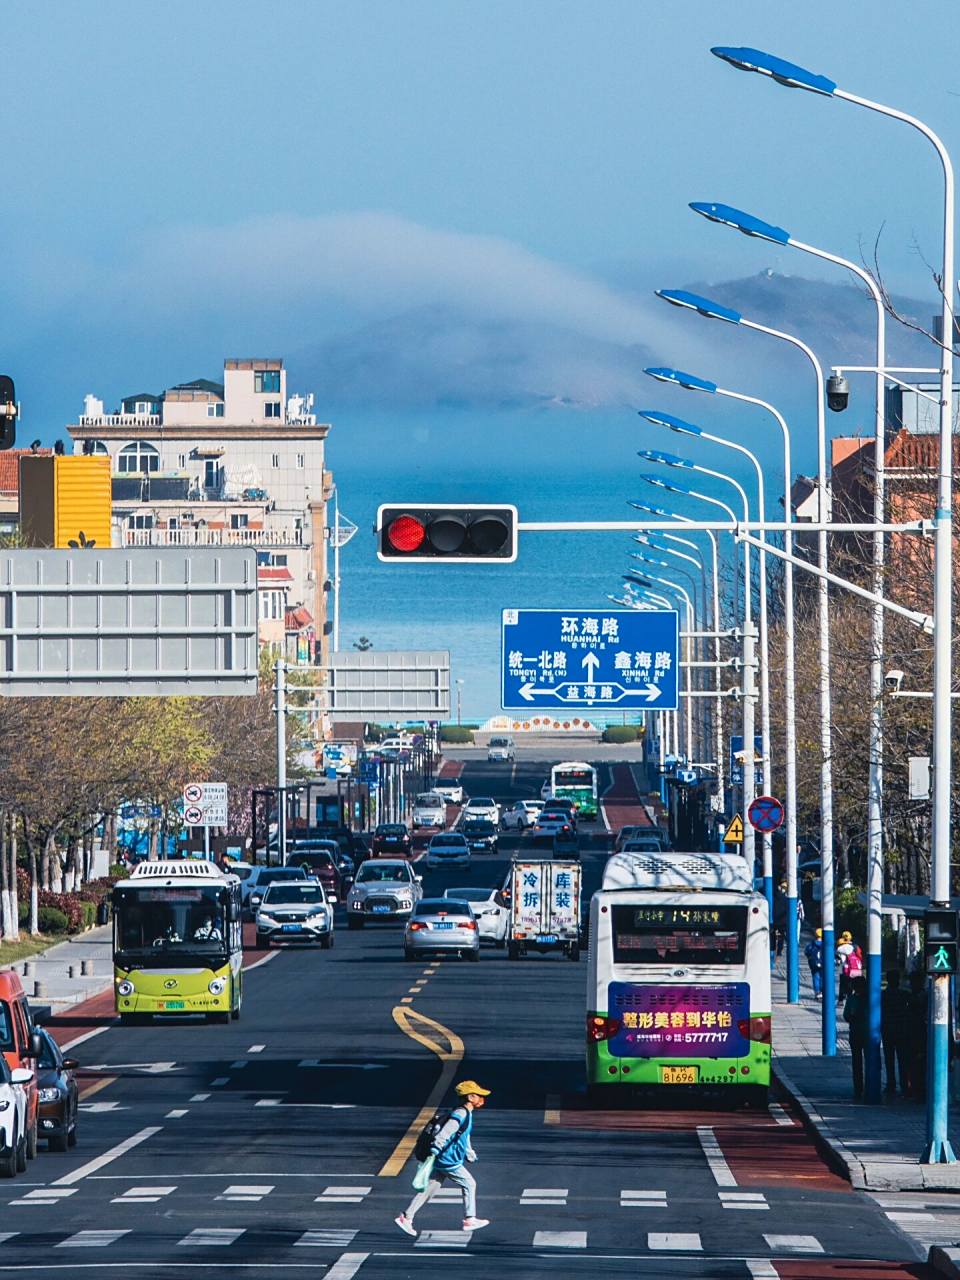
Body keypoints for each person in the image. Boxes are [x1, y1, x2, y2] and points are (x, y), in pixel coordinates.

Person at [396, 1081, 491, 1237]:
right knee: (469, 1183)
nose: (482, 1099)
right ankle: (470, 1219)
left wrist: (469, 1152)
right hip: (447, 1159)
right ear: (470, 1097)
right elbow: (446, 1133)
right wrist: (436, 1148)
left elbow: (464, 1135)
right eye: (479, 1095)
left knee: (430, 1188)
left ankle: (406, 1217)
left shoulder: (465, 1113)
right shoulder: (460, 1114)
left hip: (444, 1157)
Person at [881, 970, 910, 1095]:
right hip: (901, 1030)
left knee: (889, 1059)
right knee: (902, 1060)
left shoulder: (883, 995)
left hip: (887, 1030)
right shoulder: (904, 995)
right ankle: (904, 1085)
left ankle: (891, 1084)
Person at [844, 975, 868, 1098]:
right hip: (865, 1033)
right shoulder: (868, 998)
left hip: (856, 1032)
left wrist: (853, 1017)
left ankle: (859, 1088)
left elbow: (846, 1015)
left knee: (857, 1062)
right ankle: (863, 1087)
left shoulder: (852, 999)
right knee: (866, 1061)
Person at [805, 928, 824, 999]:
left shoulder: (811, 945)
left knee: (816, 977)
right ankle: (822, 991)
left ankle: (817, 992)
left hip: (814, 964)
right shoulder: (826, 944)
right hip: (823, 964)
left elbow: (807, 952)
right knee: (823, 977)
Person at [837, 931, 855, 998]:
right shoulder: (853, 948)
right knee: (850, 982)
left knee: (842, 983)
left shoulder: (839, 948)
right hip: (852, 967)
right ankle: (849, 996)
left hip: (842, 968)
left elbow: (837, 959)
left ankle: (841, 999)